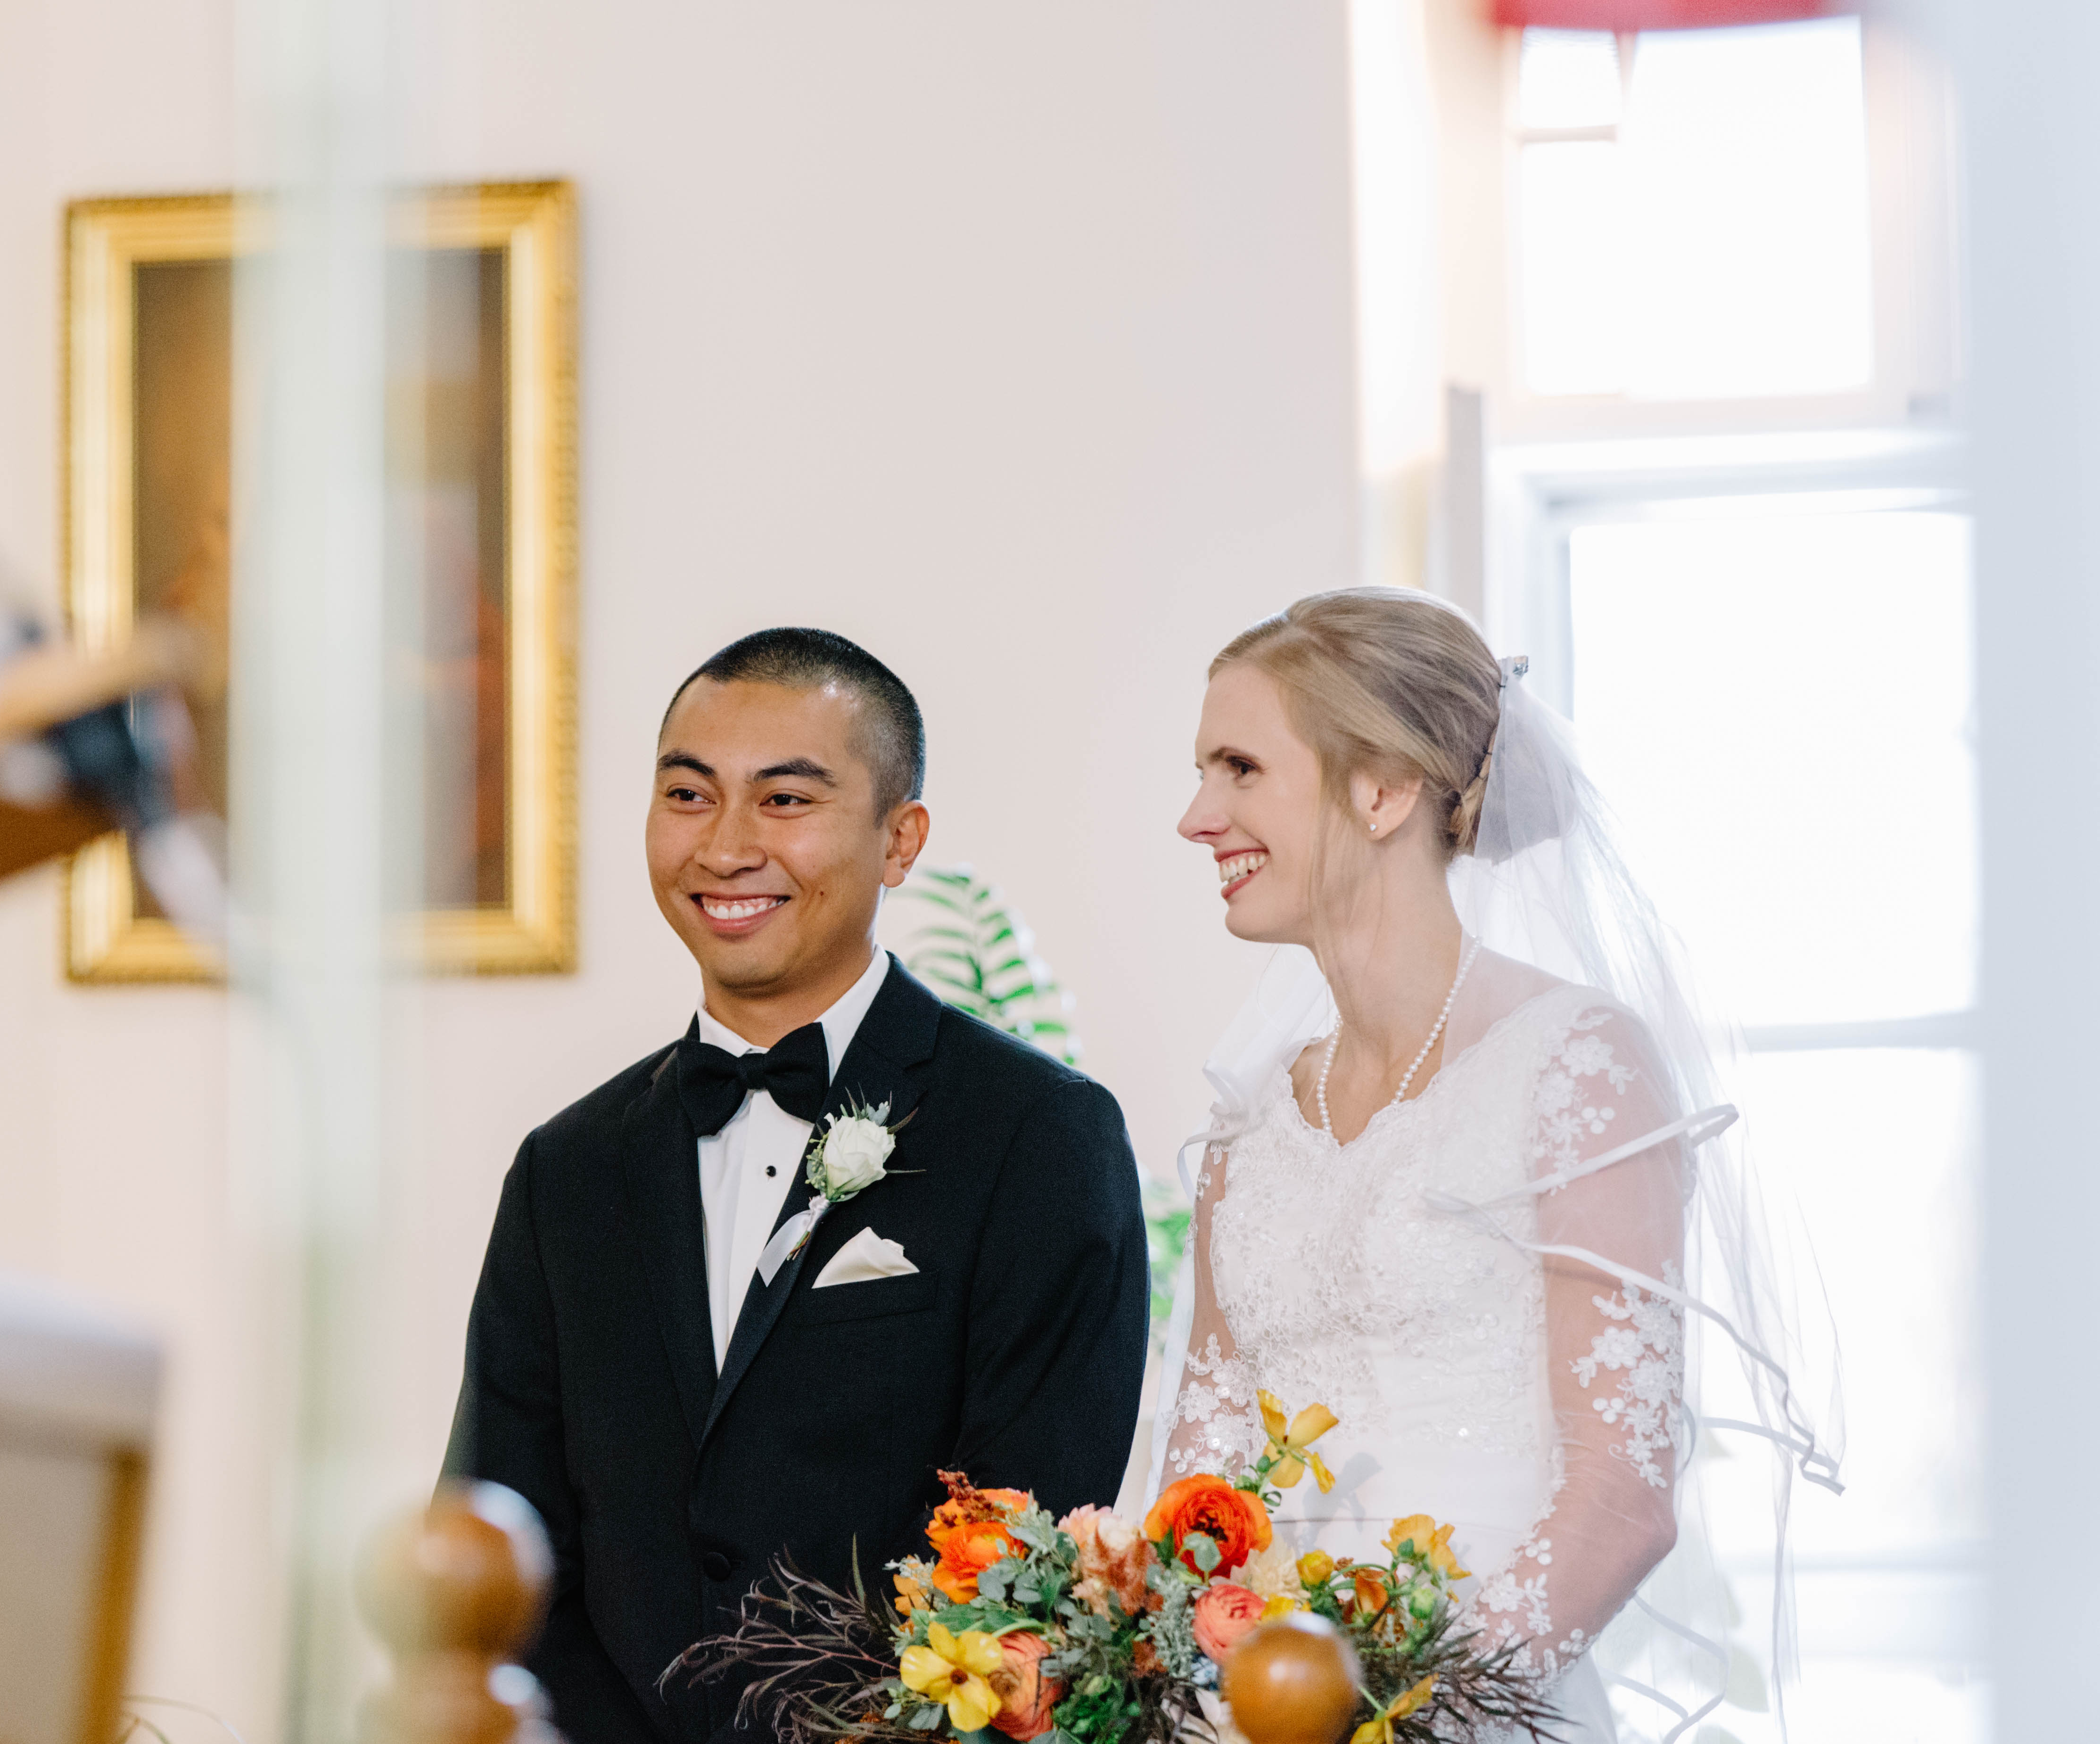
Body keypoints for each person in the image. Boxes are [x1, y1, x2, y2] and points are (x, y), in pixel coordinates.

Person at [1154, 589, 1840, 1742]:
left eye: (1239, 767)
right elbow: (1201, 1471)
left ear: (1383, 788)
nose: (1195, 815)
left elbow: (1621, 1496)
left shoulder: (1575, 1063)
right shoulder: (1251, 1124)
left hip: (1483, 1702)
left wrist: (1416, 1719)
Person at [448, 627, 1148, 1744]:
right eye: (689, 793)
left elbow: (1029, 1555)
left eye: (785, 801)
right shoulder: (566, 1167)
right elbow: (500, 1541)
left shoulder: (1040, 1136)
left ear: (900, 839)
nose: (726, 847)